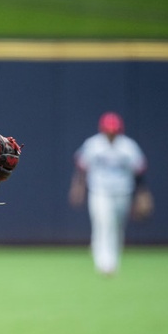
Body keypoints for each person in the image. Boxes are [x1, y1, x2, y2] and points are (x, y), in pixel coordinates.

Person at [69, 112, 152, 275]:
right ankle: (104, 262)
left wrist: (143, 196)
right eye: (108, 130)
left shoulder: (128, 146)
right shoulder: (94, 144)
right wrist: (77, 188)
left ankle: (111, 258)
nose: (111, 133)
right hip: (99, 191)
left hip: (123, 191)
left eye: (114, 130)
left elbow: (139, 173)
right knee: (103, 222)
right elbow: (81, 168)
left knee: (117, 226)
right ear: (102, 130)